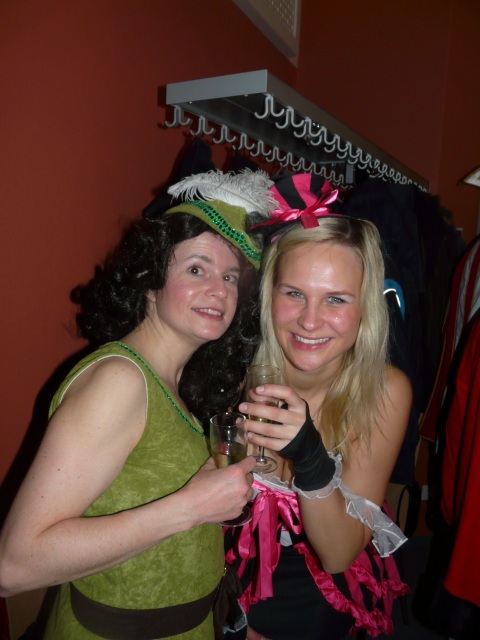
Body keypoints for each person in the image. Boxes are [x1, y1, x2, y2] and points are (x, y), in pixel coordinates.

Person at [0, 169, 279, 639]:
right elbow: (14, 565)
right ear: (150, 280)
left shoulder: (172, 383)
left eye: (230, 276)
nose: (220, 290)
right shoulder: (120, 381)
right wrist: (191, 506)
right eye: (197, 269)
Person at [226, 174, 412, 640]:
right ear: (269, 294)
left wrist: (310, 455)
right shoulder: (235, 369)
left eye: (335, 299)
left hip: (324, 598)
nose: (310, 321)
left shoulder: (385, 390)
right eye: (294, 293)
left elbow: (339, 554)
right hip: (227, 580)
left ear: (365, 308)